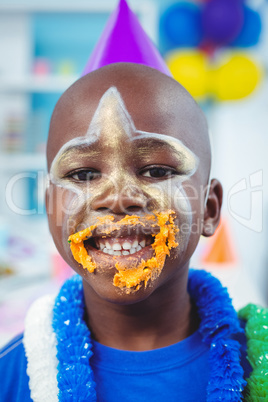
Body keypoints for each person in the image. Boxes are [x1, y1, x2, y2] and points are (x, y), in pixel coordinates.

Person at [0, 1, 266, 401]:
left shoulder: (257, 364)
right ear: (50, 205)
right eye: (84, 174)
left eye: (157, 170)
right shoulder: (11, 376)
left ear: (210, 209)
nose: (119, 197)